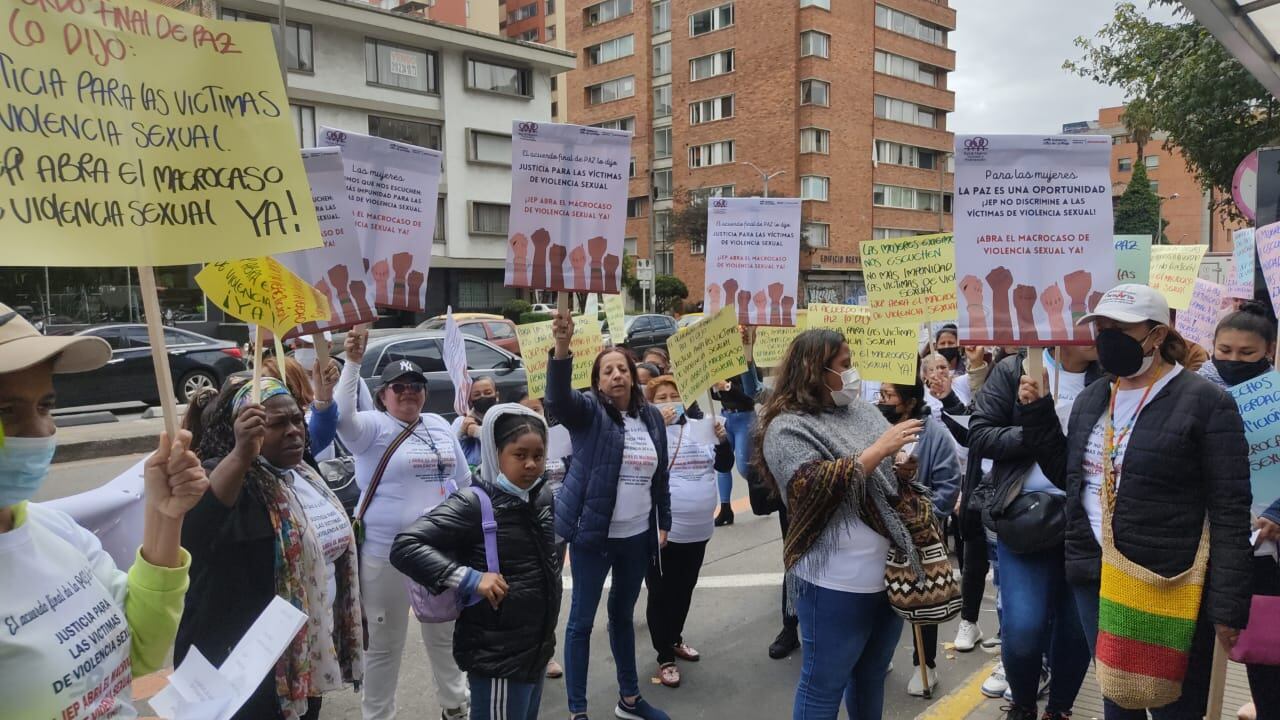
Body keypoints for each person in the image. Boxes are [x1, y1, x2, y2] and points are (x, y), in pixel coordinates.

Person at [1031, 284, 1254, 720]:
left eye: (1121, 327)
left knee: (1173, 706)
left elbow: (1229, 510)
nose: (1107, 336)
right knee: (1118, 699)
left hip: (1166, 581)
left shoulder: (1206, 402)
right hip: (1094, 575)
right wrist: (1037, 414)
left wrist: (1228, 605)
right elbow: (1076, 479)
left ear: (1156, 335)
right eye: (1101, 327)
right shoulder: (1094, 398)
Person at [0, 304, 208, 719]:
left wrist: (165, 516)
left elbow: (139, 646)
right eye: (6, 411)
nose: (43, 431)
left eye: (45, 406)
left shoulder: (55, 531)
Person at [757, 329, 923, 720]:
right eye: (845, 365)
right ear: (816, 369)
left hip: (887, 576)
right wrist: (880, 450)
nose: (853, 374)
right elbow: (806, 489)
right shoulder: (786, 426)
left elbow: (879, 476)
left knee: (870, 678)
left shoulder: (862, 411)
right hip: (833, 583)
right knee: (823, 685)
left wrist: (899, 469)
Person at [179, 376, 363, 720]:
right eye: (276, 424)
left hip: (303, 656)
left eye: (297, 419)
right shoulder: (227, 477)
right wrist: (241, 454)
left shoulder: (304, 477)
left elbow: (332, 554)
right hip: (245, 666)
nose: (294, 430)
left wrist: (351, 615)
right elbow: (195, 532)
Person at [392, 403, 562, 720]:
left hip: (536, 649)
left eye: (538, 456)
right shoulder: (473, 502)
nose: (530, 465)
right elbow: (406, 546)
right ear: (495, 453)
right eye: (519, 454)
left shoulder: (541, 496)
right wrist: (468, 578)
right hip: (497, 657)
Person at [337, 328, 473, 720]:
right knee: (384, 644)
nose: (409, 391)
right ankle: (378, 716)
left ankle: (455, 705)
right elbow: (342, 415)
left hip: (437, 554)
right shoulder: (371, 428)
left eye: (416, 385)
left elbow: (464, 483)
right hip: (386, 555)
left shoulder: (439, 425)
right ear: (383, 395)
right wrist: (351, 361)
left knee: (444, 635)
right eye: (399, 386)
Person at [546, 312, 672, 720]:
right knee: (581, 621)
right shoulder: (589, 414)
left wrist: (663, 521)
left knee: (622, 616)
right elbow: (558, 399)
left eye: (623, 368)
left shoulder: (651, 417)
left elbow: (660, 475)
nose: (617, 375)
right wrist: (562, 349)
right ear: (597, 382)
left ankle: (630, 700)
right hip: (592, 538)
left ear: (633, 377)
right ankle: (577, 711)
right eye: (607, 371)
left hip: (637, 538)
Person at [969, 341, 1103, 719]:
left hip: (1086, 522)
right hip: (1026, 518)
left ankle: (1059, 709)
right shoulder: (1015, 370)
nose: (1098, 332)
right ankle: (1023, 705)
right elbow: (979, 435)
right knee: (1024, 629)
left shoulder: (1112, 377)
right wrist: (1036, 424)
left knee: (1077, 632)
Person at [1197, 301, 1280, 720]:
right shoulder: (1194, 392)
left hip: (1267, 548)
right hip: (1210, 545)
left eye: (1246, 353)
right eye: (1224, 350)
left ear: (1269, 350)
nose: (1232, 360)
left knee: (1268, 652)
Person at [644, 375, 734, 688]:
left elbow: (723, 466)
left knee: (685, 587)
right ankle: (663, 656)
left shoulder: (700, 426)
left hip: (699, 527)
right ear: (650, 403)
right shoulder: (647, 432)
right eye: (661, 397)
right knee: (661, 592)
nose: (669, 401)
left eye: (674, 395)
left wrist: (722, 439)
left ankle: (675, 638)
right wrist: (655, 426)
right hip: (664, 530)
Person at [875, 377, 960, 696]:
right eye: (880, 394)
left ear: (909, 401)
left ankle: (926, 665)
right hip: (879, 532)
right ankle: (879, 655)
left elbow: (949, 486)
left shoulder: (934, 435)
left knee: (921, 600)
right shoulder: (873, 427)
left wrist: (921, 516)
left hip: (918, 535)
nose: (882, 400)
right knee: (880, 599)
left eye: (889, 395)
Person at [515, 387, 572, 681]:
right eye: (525, 409)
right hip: (522, 530)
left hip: (556, 527)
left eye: (536, 409)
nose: (531, 414)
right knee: (525, 590)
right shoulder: (508, 445)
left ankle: (545, 652)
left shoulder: (559, 440)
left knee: (551, 589)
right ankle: (524, 650)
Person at [710, 326, 762, 528]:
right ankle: (725, 508)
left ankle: (762, 494)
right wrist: (715, 386)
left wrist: (728, 387)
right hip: (726, 417)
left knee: (743, 466)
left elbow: (752, 396)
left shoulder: (749, 366)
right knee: (722, 463)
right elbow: (715, 396)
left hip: (744, 418)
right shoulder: (721, 365)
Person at [454, 376, 501, 468]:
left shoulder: (506, 417)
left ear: (497, 395)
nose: (482, 397)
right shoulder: (461, 422)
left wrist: (478, 432)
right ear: (470, 401)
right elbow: (449, 453)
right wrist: (461, 432)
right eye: (477, 395)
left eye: (487, 393)